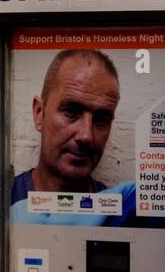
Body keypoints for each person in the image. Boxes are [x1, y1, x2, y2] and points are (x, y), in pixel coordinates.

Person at [10, 49, 136, 225]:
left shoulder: (115, 217)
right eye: (71, 112)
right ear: (39, 113)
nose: (86, 136)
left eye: (101, 120)